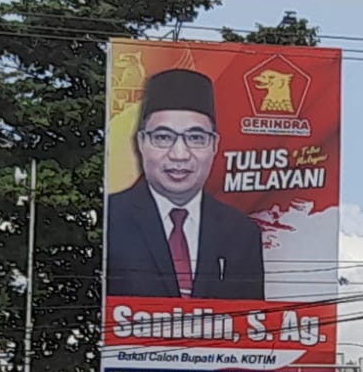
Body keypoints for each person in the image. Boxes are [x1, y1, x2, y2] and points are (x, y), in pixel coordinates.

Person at [104, 67, 265, 300]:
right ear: (141, 142)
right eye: (163, 137)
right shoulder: (112, 218)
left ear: (214, 145)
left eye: (196, 138)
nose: (179, 154)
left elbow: (254, 319)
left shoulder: (241, 232)